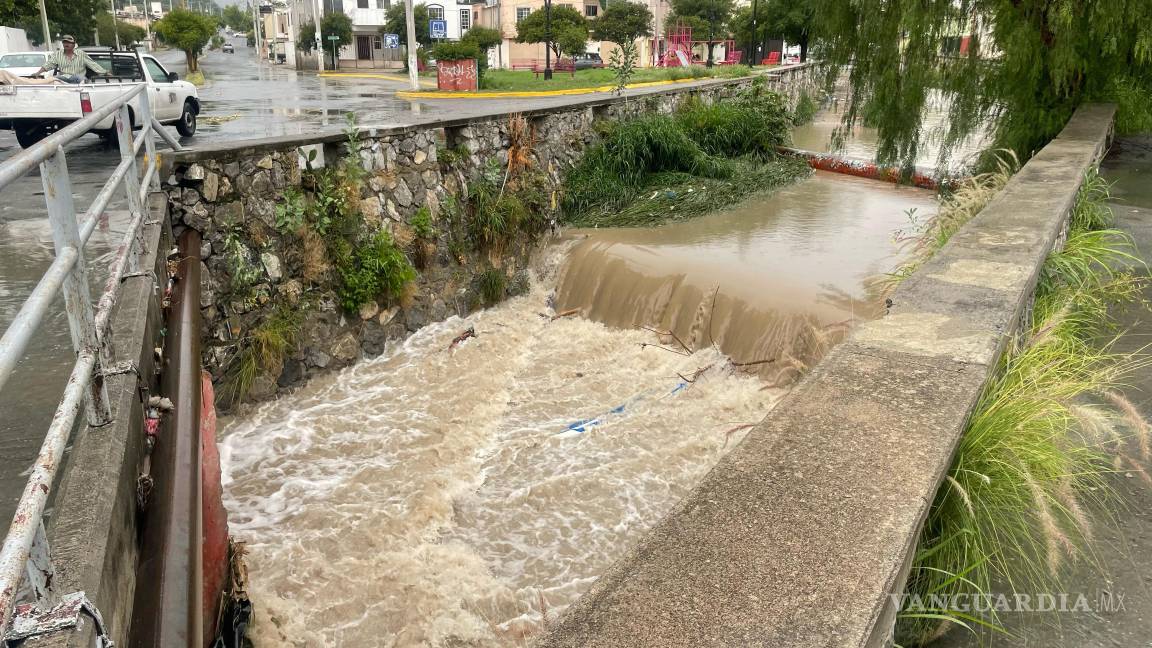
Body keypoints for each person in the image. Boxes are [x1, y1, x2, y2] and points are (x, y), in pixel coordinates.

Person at [36, 35, 106, 83]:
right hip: (64, 78)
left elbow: (93, 65)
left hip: (79, 78)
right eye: (64, 42)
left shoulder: (81, 54)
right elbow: (49, 64)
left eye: (69, 42)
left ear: (73, 44)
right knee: (51, 80)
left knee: (81, 80)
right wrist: (38, 73)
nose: (66, 44)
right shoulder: (58, 54)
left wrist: (105, 72)